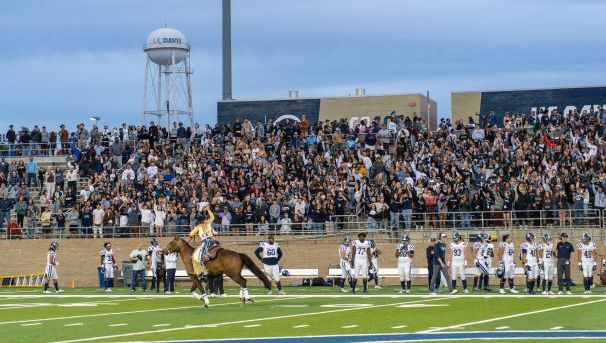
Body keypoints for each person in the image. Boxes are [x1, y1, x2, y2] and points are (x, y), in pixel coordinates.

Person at [188, 206, 217, 281]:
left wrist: (190, 237)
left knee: (199, 257)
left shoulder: (198, 227)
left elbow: (191, 234)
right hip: (214, 241)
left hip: (206, 242)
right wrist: (208, 209)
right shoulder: (208, 222)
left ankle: (203, 273)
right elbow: (212, 216)